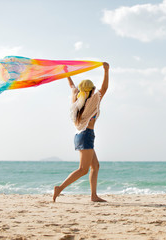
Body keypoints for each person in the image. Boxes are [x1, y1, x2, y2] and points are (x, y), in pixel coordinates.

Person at [53, 62, 109, 202]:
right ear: (91, 90)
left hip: (81, 135)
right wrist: (106, 71)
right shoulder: (92, 100)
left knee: (95, 166)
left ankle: (93, 196)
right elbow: (104, 88)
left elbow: (72, 86)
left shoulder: (77, 98)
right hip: (86, 135)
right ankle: (59, 188)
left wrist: (67, 74)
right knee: (83, 169)